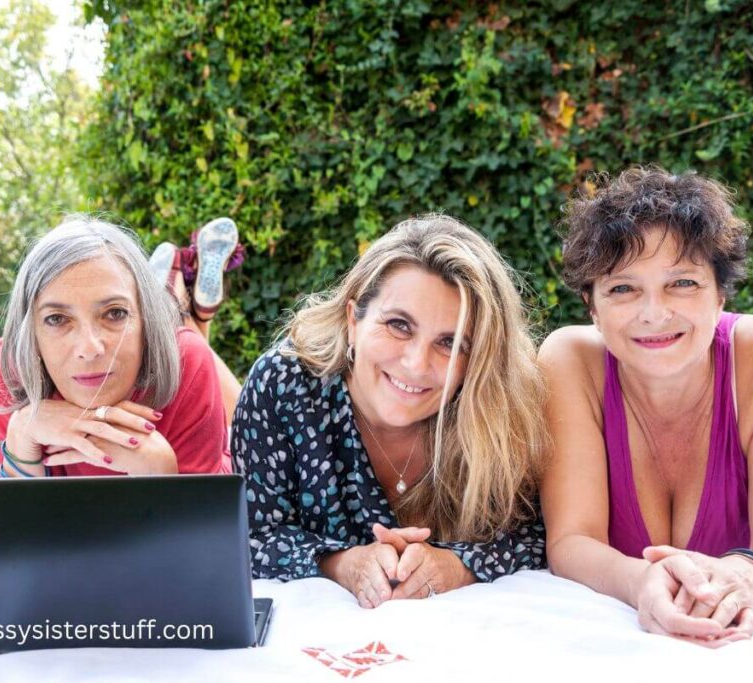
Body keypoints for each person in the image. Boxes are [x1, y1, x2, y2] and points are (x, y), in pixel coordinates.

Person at [539, 167, 753, 646]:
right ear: (592, 307)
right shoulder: (570, 360)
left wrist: (741, 575)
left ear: (721, 293)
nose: (654, 313)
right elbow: (571, 543)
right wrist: (640, 583)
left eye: (683, 283)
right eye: (623, 289)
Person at [233, 214, 549, 608]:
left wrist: (456, 566)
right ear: (353, 320)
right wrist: (343, 564)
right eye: (399, 325)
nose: (417, 364)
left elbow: (540, 535)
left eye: (450, 343)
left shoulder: (497, 412)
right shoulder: (284, 385)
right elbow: (252, 536)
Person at [0, 216, 231, 478]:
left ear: (145, 320)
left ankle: (179, 305)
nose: (89, 348)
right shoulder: (8, 370)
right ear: (30, 332)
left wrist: (161, 471)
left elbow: (204, 514)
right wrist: (20, 438)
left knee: (233, 404)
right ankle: (177, 302)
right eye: (56, 319)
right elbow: (3, 517)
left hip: (229, 457)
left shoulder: (185, 358)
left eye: (115, 313)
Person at [148, 217, 246, 428]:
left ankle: (184, 315)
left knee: (245, 421)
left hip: (244, 447)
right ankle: (184, 316)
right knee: (245, 422)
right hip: (248, 447)